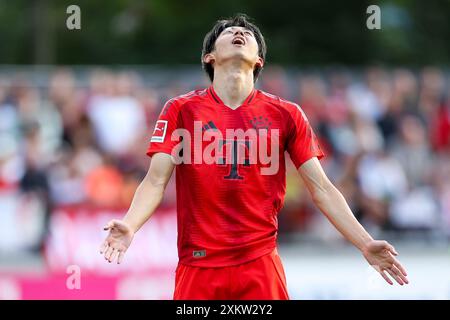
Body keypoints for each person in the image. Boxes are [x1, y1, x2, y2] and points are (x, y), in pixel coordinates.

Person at [99, 14, 408, 299]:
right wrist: (130, 225)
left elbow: (323, 189)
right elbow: (155, 181)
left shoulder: (287, 114)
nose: (238, 32)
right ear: (210, 57)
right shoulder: (181, 110)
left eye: (247, 32)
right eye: (228, 31)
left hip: (260, 265)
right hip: (198, 266)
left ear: (258, 60)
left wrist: (365, 242)